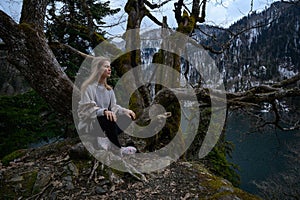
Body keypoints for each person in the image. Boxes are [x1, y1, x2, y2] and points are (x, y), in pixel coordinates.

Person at [78, 56, 137, 155]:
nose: (109, 69)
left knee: (128, 117)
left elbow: (114, 107)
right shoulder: (88, 87)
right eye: (105, 66)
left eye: (109, 67)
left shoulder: (109, 90)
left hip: (105, 124)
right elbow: (86, 109)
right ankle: (117, 149)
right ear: (97, 69)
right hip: (91, 125)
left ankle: (106, 141)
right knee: (107, 117)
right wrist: (104, 111)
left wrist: (125, 111)